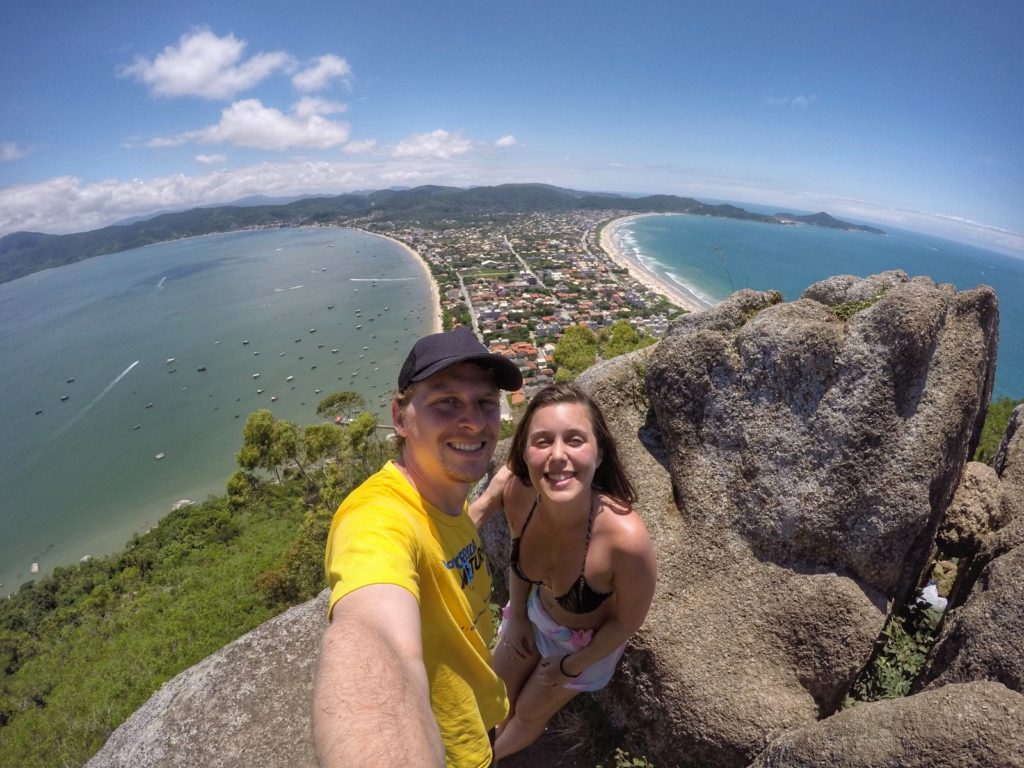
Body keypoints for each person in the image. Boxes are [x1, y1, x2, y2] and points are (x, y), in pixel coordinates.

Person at [312, 326, 523, 768]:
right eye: (447, 402)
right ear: (401, 417)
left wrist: (488, 500)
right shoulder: (376, 518)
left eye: (485, 402)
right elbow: (377, 639)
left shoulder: (442, 495)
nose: (473, 420)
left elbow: (443, 541)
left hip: (474, 716)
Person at [470, 382, 656, 760]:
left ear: (599, 453)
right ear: (524, 453)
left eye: (574, 440)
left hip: (583, 646)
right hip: (534, 615)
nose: (558, 456)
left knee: (526, 714)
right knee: (491, 694)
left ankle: (486, 761)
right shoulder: (522, 495)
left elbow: (625, 623)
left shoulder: (624, 539)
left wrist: (571, 665)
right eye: (542, 442)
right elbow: (520, 564)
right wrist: (519, 616)